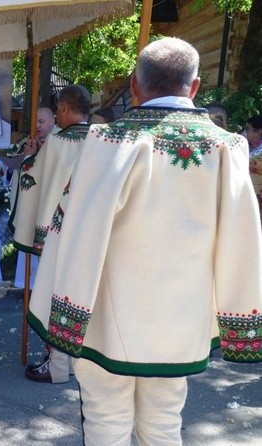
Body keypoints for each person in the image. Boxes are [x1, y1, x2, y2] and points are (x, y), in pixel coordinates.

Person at [28, 37, 262, 445]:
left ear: (134, 85)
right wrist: (237, 318)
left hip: (105, 314)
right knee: (164, 421)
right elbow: (243, 238)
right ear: (194, 88)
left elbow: (74, 232)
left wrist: (61, 311)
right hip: (180, 320)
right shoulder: (228, 148)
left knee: (104, 419)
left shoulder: (106, 143)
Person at [18, 85, 92, 384]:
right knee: (82, 296)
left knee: (54, 293)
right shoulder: (104, 140)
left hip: (58, 231)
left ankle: (57, 365)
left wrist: (28, 159)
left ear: (62, 109)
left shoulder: (58, 141)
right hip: (91, 232)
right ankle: (76, 362)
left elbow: (34, 178)